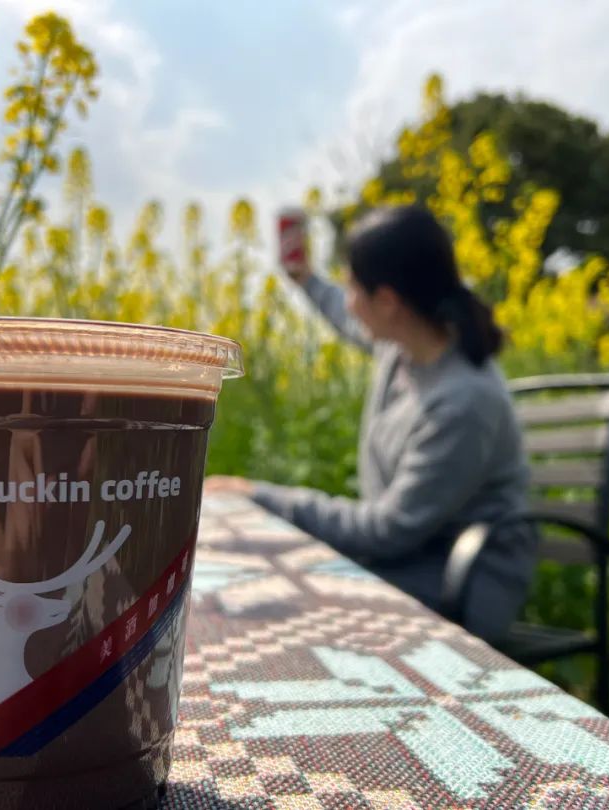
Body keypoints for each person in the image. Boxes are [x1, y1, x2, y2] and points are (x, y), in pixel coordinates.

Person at [207, 205, 535, 639]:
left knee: (280, 600)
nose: (348, 302)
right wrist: (305, 279)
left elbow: (386, 530)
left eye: (352, 287)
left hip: (462, 581)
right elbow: (345, 318)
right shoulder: (403, 349)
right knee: (265, 581)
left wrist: (260, 496)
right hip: (408, 561)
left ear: (388, 302)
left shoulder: (464, 401)